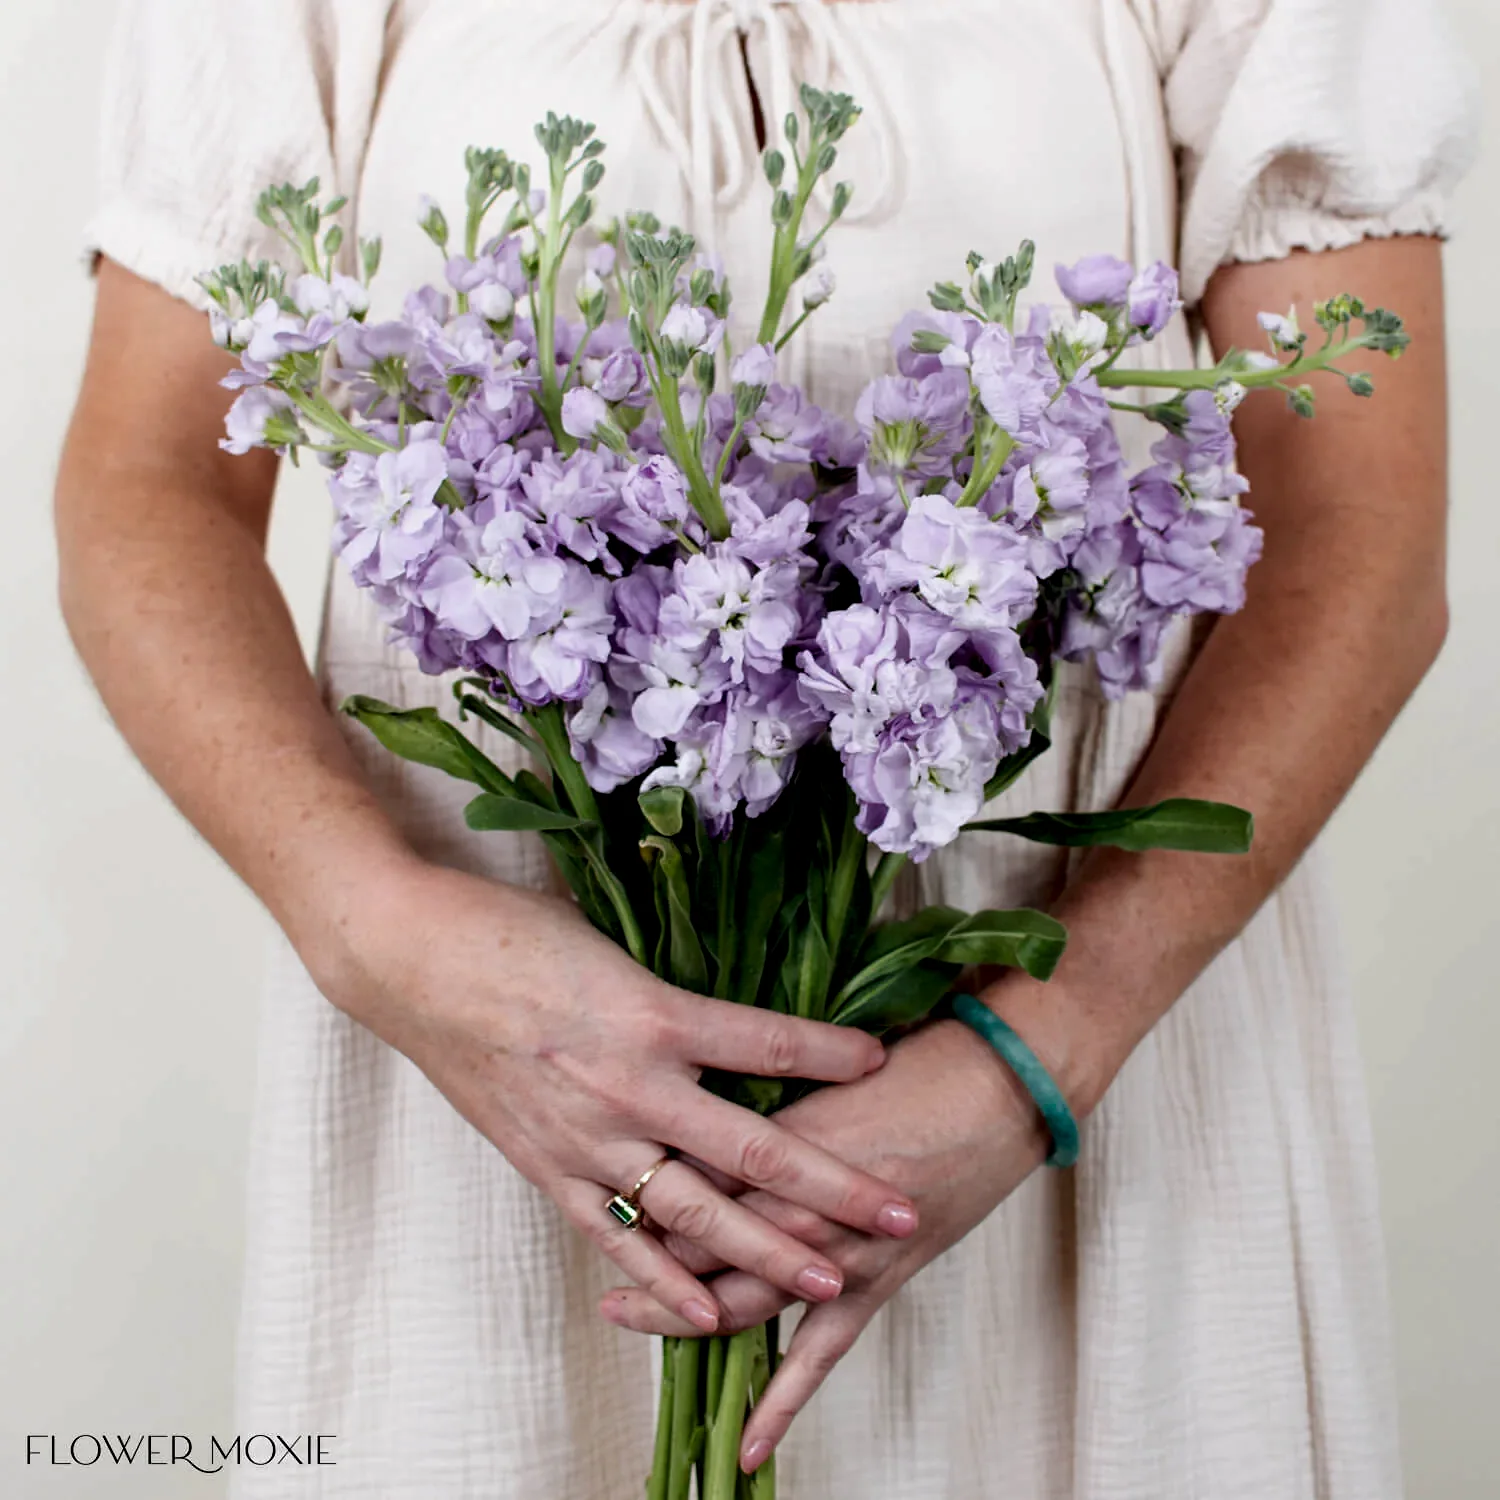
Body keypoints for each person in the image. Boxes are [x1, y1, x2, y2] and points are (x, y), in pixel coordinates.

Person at [59, 0, 1476, 1494]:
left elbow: (1358, 532)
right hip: (493, 1086)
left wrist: (1027, 1069)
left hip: (1075, 1068)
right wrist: (382, 935)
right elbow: (145, 486)